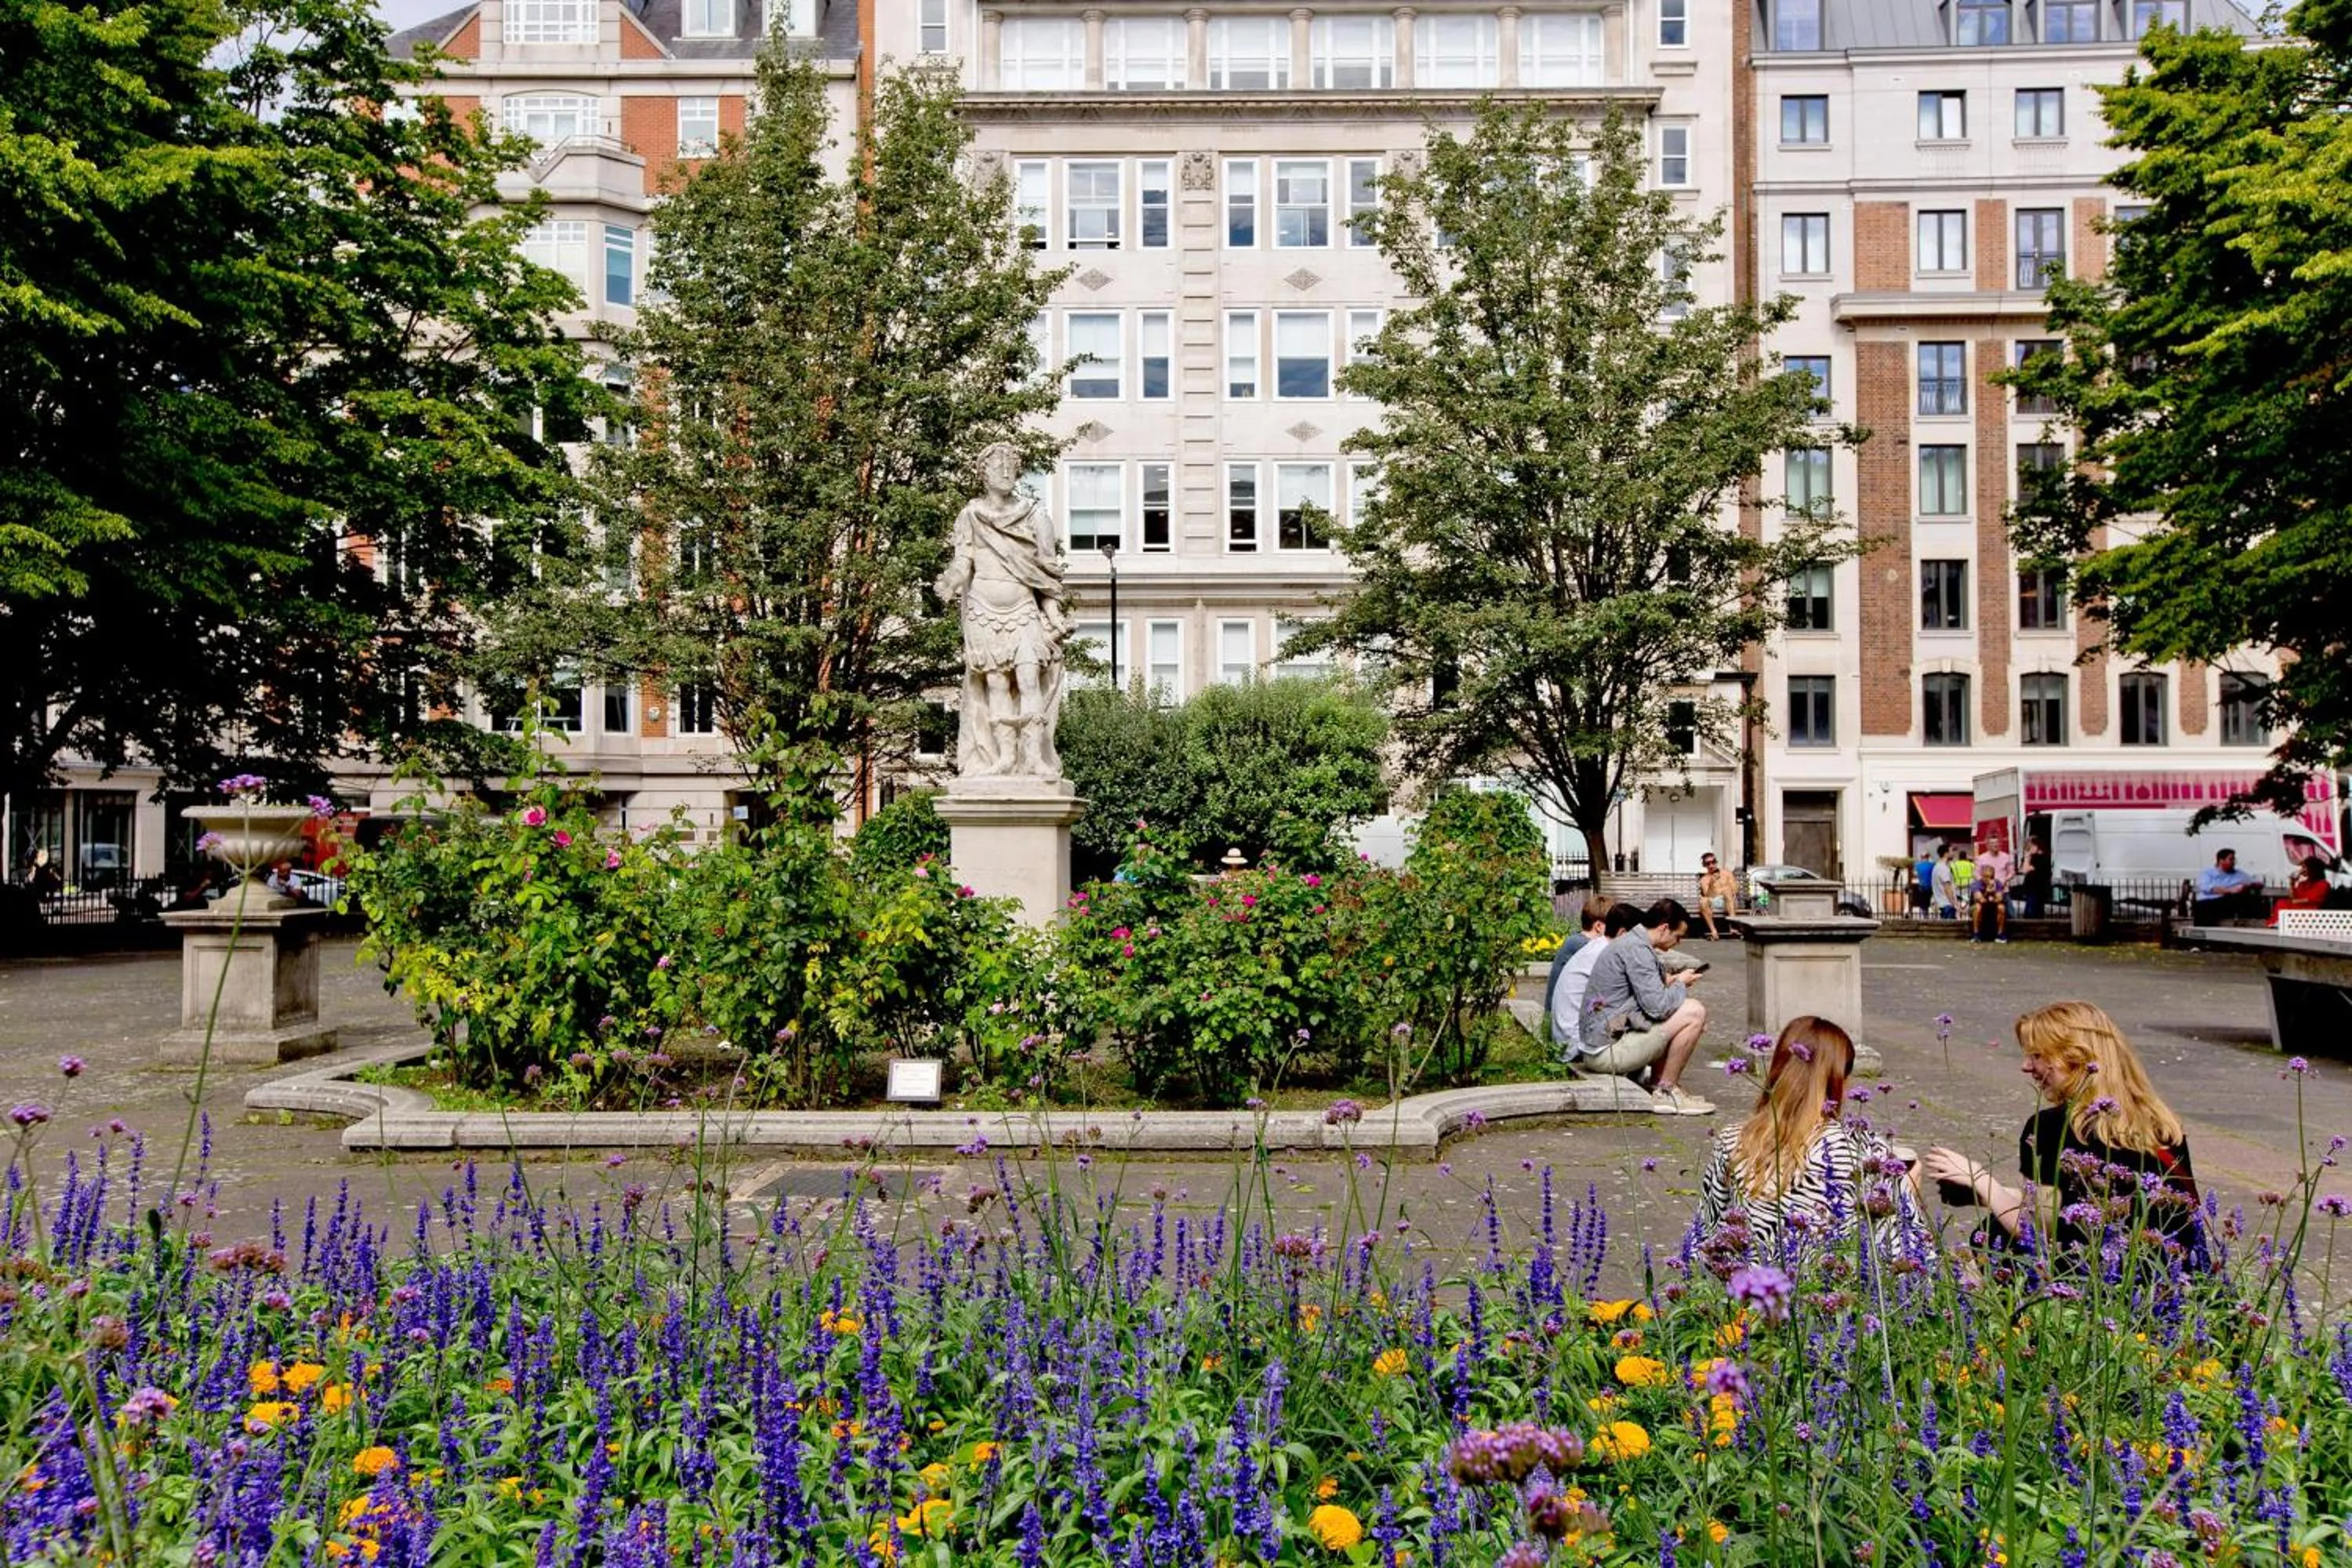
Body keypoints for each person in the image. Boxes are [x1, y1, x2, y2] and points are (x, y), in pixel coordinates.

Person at [1922, 1001, 2204, 1266]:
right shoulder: (2161, 1126)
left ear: (2076, 1058)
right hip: (2167, 1280)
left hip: (2093, 1283)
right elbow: (2073, 1204)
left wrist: (1981, 1180)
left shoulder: (2052, 1127)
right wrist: (1991, 1196)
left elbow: (2038, 1230)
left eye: (2037, 1056)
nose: (2026, 1067)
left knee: (1994, 1236)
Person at [1693, 1016, 1926, 1261]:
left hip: (1748, 1292)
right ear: (1838, 1080)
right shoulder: (1862, 1151)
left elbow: (1706, 1239)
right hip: (1829, 1289)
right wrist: (1905, 1193)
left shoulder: (1735, 1140)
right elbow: (1904, 1255)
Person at [1576, 898, 1715, 1116]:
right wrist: (1680, 984)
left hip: (1600, 1042)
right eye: (1678, 937)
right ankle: (1666, 1091)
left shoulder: (1633, 942)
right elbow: (1657, 1008)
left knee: (1684, 1013)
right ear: (1663, 928)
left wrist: (1673, 986)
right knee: (1694, 1012)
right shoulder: (1637, 949)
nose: (1678, 943)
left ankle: (1660, 1085)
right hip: (1606, 1052)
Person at [1546, 895, 1612, 1054]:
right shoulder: (1585, 946)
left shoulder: (1575, 941)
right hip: (1566, 1029)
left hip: (1558, 1020)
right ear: (1599, 926)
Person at [2191, 848, 2267, 924]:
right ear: (2221, 860)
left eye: (2234, 860)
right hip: (2207, 902)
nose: (2233, 862)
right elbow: (2206, 888)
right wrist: (2230, 890)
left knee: (2243, 899)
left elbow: (2258, 882)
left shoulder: (2238, 874)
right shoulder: (2208, 873)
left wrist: (2246, 886)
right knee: (2202, 908)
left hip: (2226, 902)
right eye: (2231, 859)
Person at [1969, 840, 2011, 945]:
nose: (1989, 879)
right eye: (1986, 877)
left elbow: (2000, 899)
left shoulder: (1997, 883)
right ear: (1982, 876)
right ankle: (1976, 934)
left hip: (1993, 905)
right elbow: (1981, 900)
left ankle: (2000, 934)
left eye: (1991, 877)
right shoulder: (1977, 884)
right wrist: (1987, 893)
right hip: (1981, 905)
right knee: (1977, 908)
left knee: (2002, 908)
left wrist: (1993, 893)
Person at [2274, 855, 2330, 920]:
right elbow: (2293, 897)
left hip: (2312, 911)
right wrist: (2292, 884)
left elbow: (2310, 900)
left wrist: (2293, 902)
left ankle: (2280, 921)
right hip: (2300, 908)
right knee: (2281, 902)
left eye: (2304, 867)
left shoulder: (2323, 884)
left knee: (2283, 903)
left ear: (2312, 868)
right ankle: (2279, 922)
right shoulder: (2303, 883)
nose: (2301, 870)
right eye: (2302, 867)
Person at [1696, 853, 1738, 939]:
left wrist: (1723, 891)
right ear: (1704, 865)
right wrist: (1711, 884)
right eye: (1708, 863)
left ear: (1716, 862)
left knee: (1727, 890)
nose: (1711, 865)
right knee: (1703, 901)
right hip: (1715, 902)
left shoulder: (1727, 873)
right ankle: (1714, 931)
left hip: (1730, 901)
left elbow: (1734, 890)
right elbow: (1707, 896)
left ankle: (1733, 926)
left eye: (1713, 862)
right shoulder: (1704, 879)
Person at [2019, 838, 2053, 920]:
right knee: (2031, 909)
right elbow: (2024, 870)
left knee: (2036, 909)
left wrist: (2030, 866)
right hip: (2031, 887)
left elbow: (2037, 869)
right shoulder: (2030, 857)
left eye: (2033, 846)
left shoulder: (2043, 857)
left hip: (2039, 887)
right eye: (2029, 847)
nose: (2031, 849)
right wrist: (2027, 857)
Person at [1930, 844, 1959, 921]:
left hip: (1942, 904)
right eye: (1951, 851)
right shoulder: (1943, 868)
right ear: (1946, 854)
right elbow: (1947, 886)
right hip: (1947, 905)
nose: (1953, 853)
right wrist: (1954, 904)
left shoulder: (1937, 867)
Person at [1910, 844, 1938, 917]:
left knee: (1922, 901)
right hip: (1930, 885)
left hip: (1921, 885)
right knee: (1928, 900)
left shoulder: (1917, 865)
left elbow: (1915, 874)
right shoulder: (1932, 865)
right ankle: (1928, 912)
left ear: (1921, 857)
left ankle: (1924, 912)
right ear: (1928, 857)